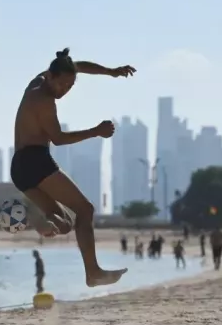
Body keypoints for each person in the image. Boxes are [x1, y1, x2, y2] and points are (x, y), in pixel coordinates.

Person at [10, 48, 134, 287]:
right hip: (35, 161)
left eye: (70, 85)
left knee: (65, 224)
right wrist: (96, 131)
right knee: (85, 210)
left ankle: (35, 219)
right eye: (62, 84)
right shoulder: (44, 101)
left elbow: (80, 66)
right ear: (51, 77)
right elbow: (58, 138)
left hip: (20, 168)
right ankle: (93, 273)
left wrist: (110, 72)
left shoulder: (37, 81)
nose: (64, 89)